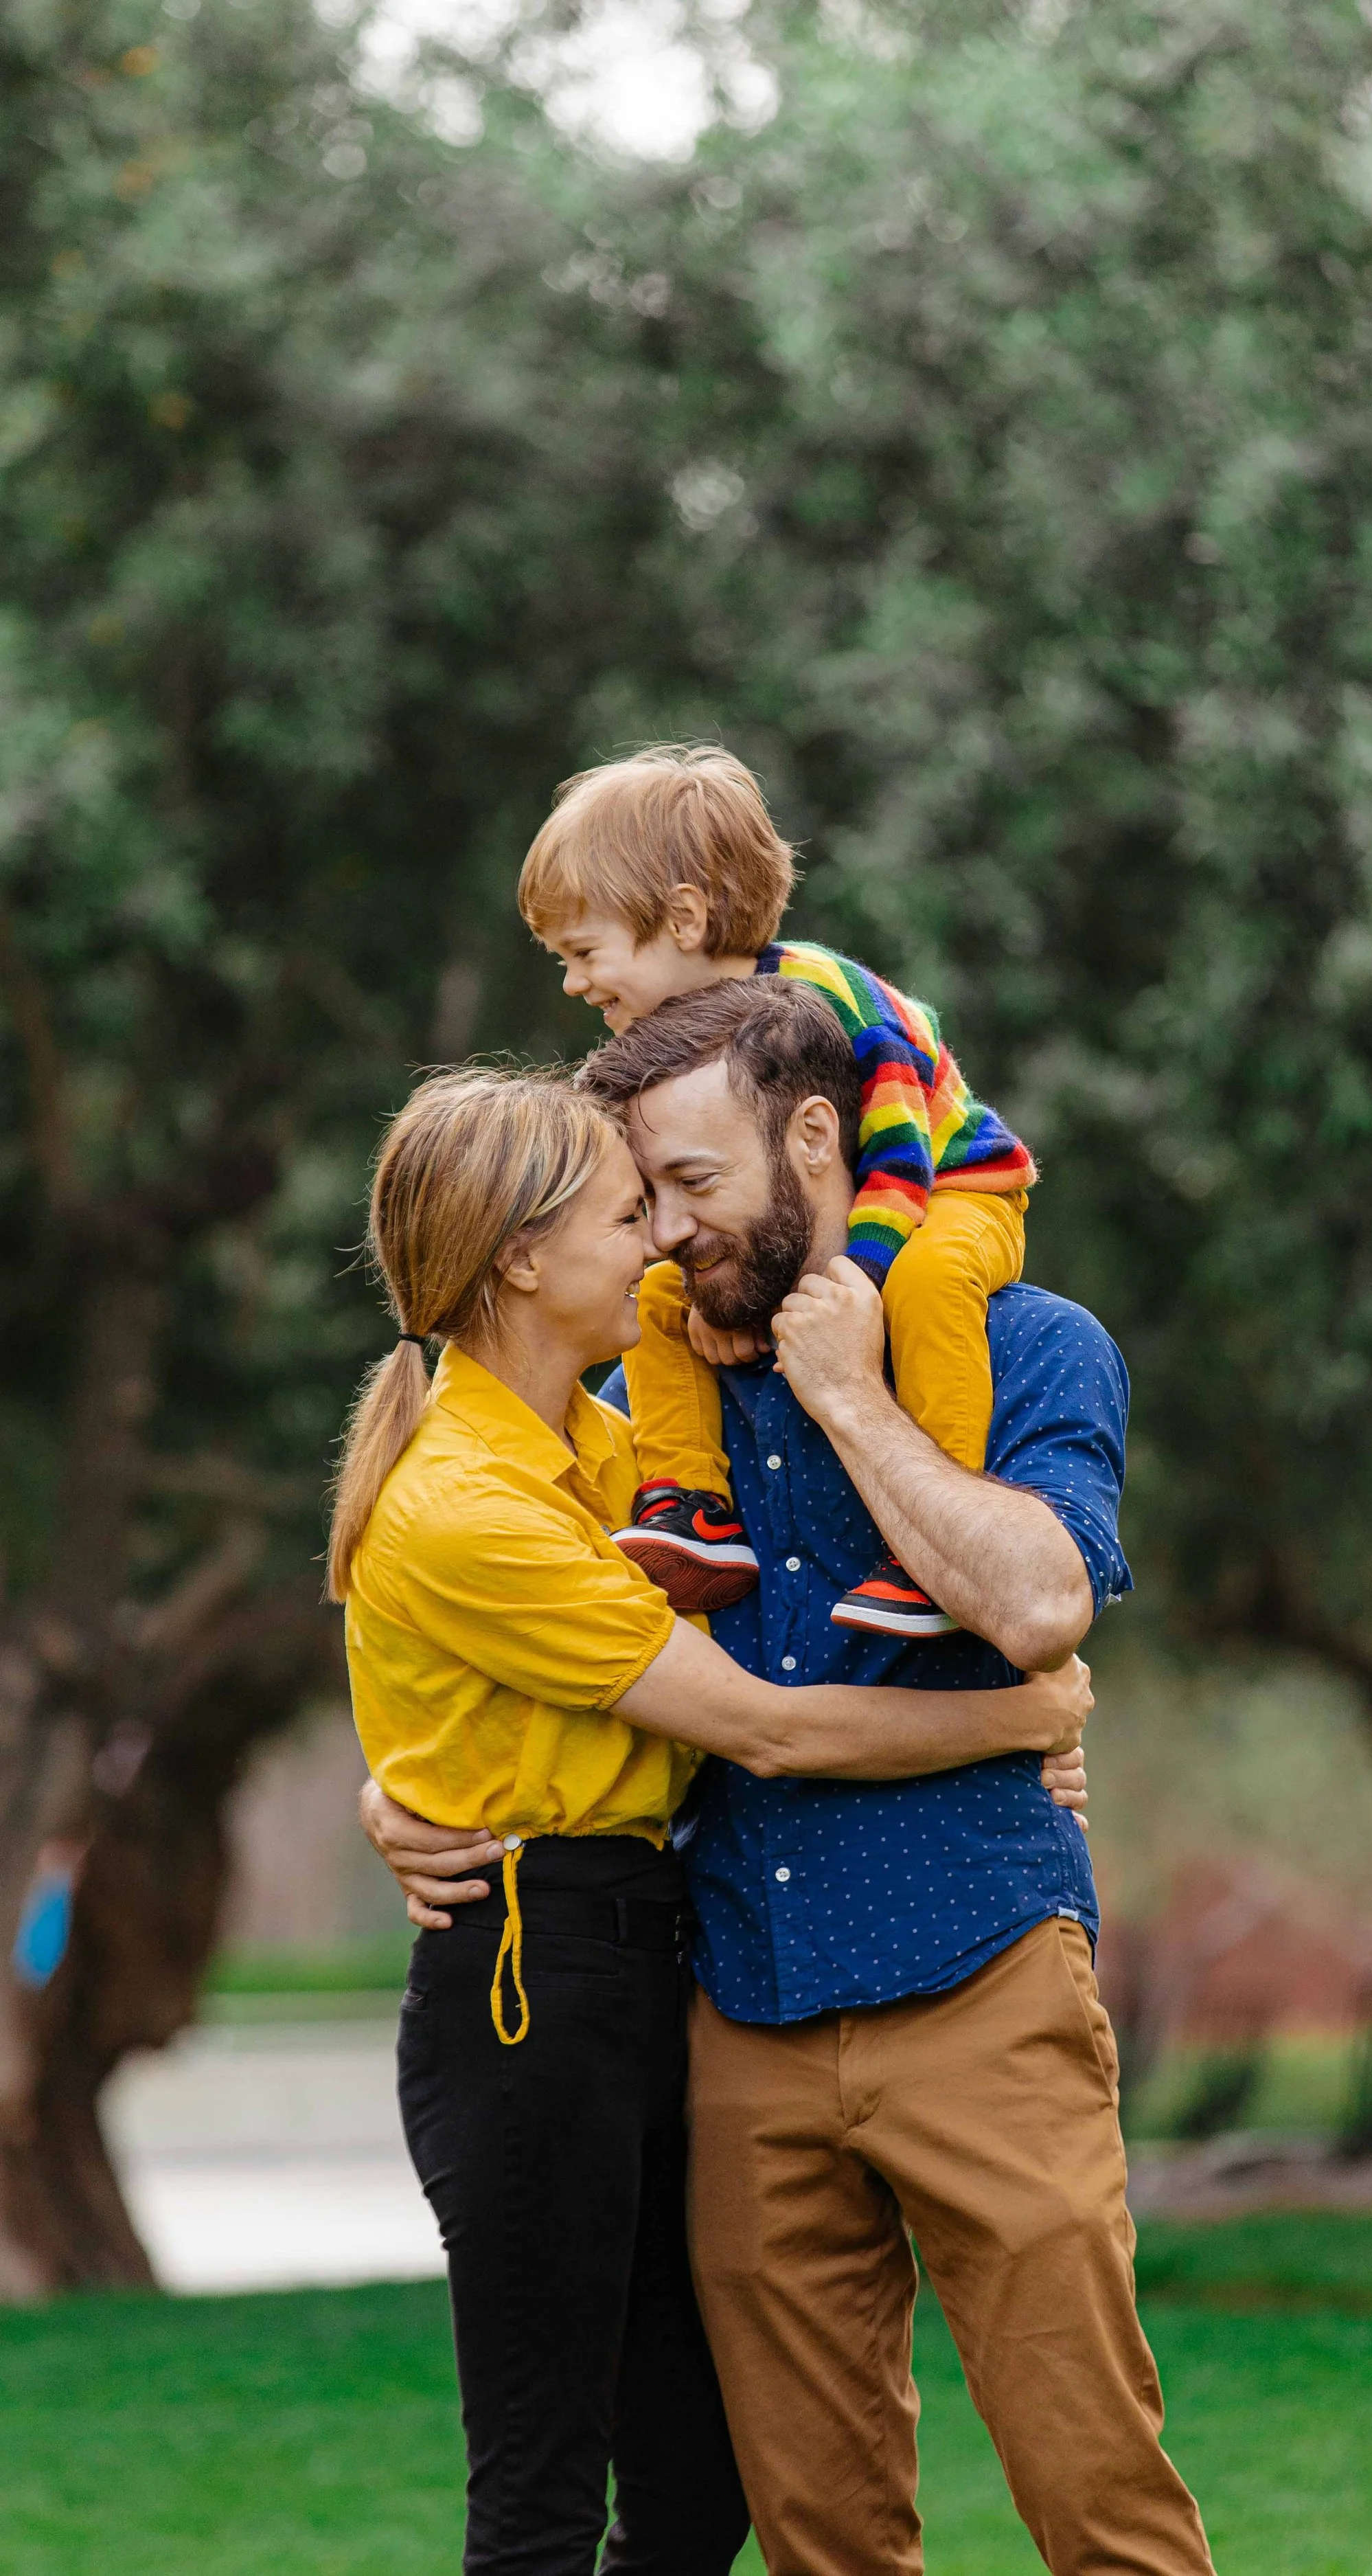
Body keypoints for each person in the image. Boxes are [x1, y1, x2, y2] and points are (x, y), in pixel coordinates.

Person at [367, 984, 1216, 2576]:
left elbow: (1039, 1606)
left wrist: (850, 1390)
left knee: (1096, 2500)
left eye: (688, 1186)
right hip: (740, 2016)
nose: (667, 1235)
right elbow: (505, 1649)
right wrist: (396, 1804)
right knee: (817, 2537)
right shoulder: (650, 1417)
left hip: (982, 1980)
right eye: (640, 1202)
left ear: (811, 1136)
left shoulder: (1030, 1346)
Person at [516, 743, 1036, 1638]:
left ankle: (931, 1532)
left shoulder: (831, 996)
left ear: (681, 918)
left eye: (585, 950)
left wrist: (852, 1291)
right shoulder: (678, 1047)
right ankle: (688, 1501)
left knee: (930, 1285)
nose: (573, 982)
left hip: (957, 1188)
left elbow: (903, 1155)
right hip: (863, 1207)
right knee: (661, 1293)